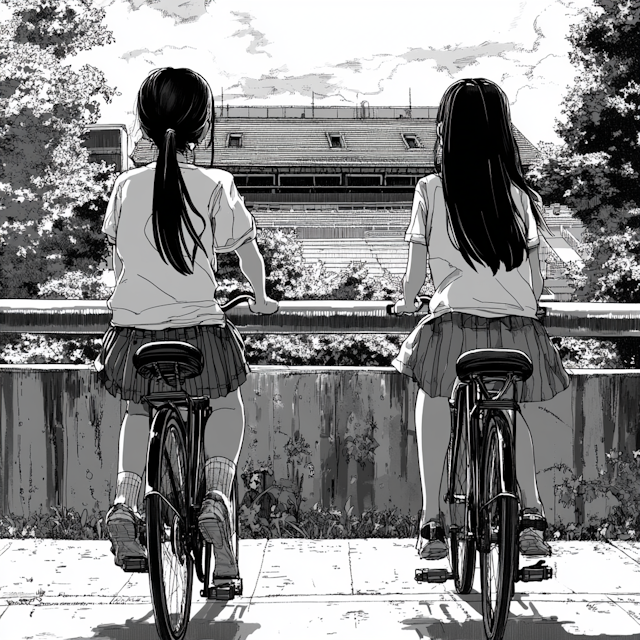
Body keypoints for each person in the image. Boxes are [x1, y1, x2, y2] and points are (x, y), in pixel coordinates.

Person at [94, 67, 278, 576]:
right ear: (203, 126)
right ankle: (217, 497)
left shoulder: (125, 186)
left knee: (138, 411)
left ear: (145, 125)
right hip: (200, 331)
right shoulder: (216, 184)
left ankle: (127, 501)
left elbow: (120, 267)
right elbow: (247, 254)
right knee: (225, 404)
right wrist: (260, 297)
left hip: (133, 333)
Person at [391, 78, 570, 560]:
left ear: (446, 130)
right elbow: (534, 286)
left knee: (433, 398)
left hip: (455, 327)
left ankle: (431, 521)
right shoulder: (519, 195)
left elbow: (413, 280)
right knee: (514, 413)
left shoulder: (431, 189)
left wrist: (406, 304)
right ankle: (531, 513)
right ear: (501, 133)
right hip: (517, 330)